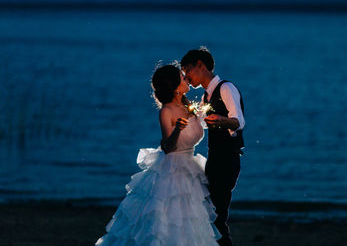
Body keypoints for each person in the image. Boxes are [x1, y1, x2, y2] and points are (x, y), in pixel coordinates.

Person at [95, 64, 220, 245]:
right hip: (171, 170)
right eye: (183, 78)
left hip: (189, 168)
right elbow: (168, 146)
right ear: (175, 87)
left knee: (189, 218)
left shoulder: (188, 107)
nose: (187, 80)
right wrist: (177, 129)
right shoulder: (166, 111)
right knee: (166, 220)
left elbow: (197, 130)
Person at [181, 47, 245, 246]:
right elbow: (200, 125)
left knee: (217, 217)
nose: (186, 77)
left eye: (187, 71)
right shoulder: (205, 97)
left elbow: (239, 122)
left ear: (201, 65)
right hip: (214, 159)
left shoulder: (226, 88)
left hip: (227, 159)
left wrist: (222, 120)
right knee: (210, 213)